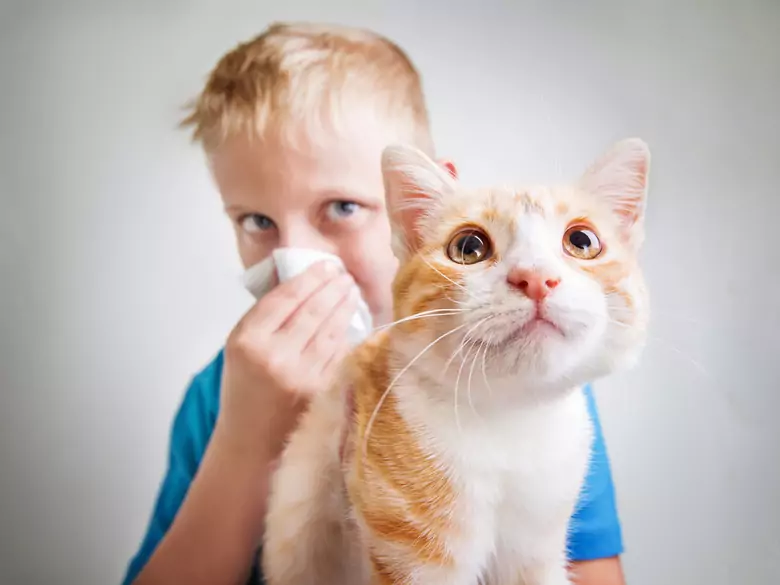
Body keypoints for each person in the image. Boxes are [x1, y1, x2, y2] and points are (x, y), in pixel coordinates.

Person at [123, 22, 626, 585]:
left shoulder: (525, 374)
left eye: (341, 208)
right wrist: (244, 443)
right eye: (256, 221)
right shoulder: (220, 396)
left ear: (418, 215)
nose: (294, 259)